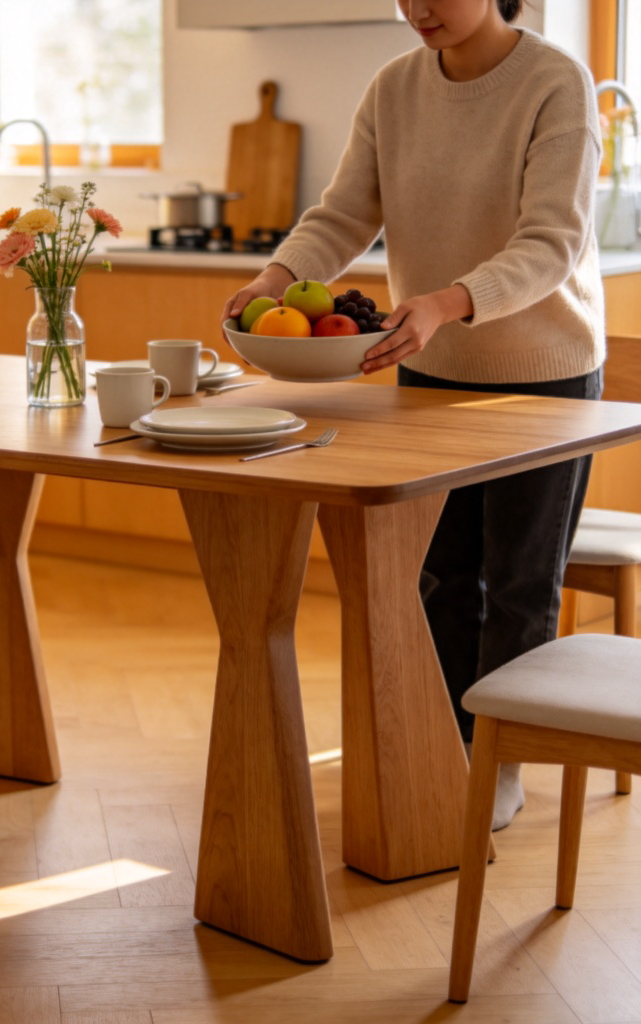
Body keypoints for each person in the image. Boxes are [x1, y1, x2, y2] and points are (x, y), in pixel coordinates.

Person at [222, 0, 605, 830]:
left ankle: (501, 760)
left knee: (519, 582)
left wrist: (446, 301)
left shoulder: (555, 82)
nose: (419, 8)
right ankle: (446, 740)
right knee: (438, 573)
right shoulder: (394, 88)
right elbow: (344, 213)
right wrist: (274, 281)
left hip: (542, 377)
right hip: (430, 369)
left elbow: (553, 241)